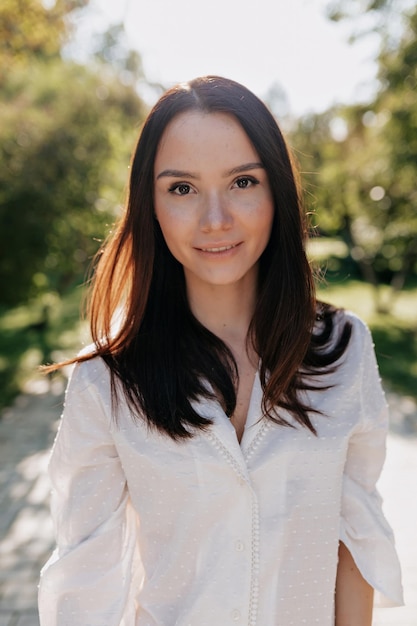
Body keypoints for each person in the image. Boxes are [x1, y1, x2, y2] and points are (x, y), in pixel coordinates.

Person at [38, 75, 403, 626]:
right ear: (151, 205)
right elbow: (84, 587)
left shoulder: (343, 348)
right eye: (182, 188)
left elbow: (355, 536)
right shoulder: (106, 381)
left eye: (242, 182)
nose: (215, 219)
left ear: (277, 190)